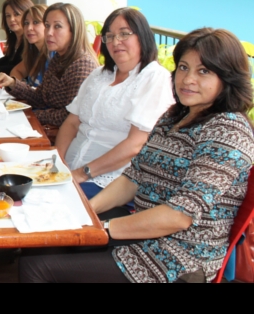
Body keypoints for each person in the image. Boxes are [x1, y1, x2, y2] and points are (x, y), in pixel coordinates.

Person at [19, 27, 254, 283]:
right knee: (46, 240)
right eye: (183, 67)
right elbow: (133, 178)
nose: (188, 79)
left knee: (36, 268)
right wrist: (87, 212)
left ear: (228, 78)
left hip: (180, 259)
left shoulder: (227, 131)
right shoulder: (174, 116)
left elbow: (179, 215)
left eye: (204, 71)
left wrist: (101, 228)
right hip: (144, 234)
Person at [55, 8, 175, 199]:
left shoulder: (155, 79)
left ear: (142, 37)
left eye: (124, 34)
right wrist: (58, 164)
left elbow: (136, 144)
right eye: (109, 36)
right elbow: (72, 122)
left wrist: (82, 173)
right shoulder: (99, 75)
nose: (115, 42)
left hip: (109, 181)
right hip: (69, 171)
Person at [0, 2, 99, 127]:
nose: (49, 32)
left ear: (74, 31)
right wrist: (13, 83)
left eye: (57, 26)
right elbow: (41, 97)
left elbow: (70, 116)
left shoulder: (82, 65)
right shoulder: (59, 58)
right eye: (47, 26)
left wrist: (31, 115)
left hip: (61, 132)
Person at [9, 4, 53, 87]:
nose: (29, 28)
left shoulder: (53, 55)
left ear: (47, 26)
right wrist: (23, 87)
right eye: (26, 23)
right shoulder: (34, 52)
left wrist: (24, 89)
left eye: (36, 22)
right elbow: (16, 71)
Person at [0, 0, 34, 77]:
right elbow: (8, 60)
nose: (11, 19)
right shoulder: (14, 39)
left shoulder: (31, 40)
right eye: (8, 16)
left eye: (16, 14)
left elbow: (15, 67)